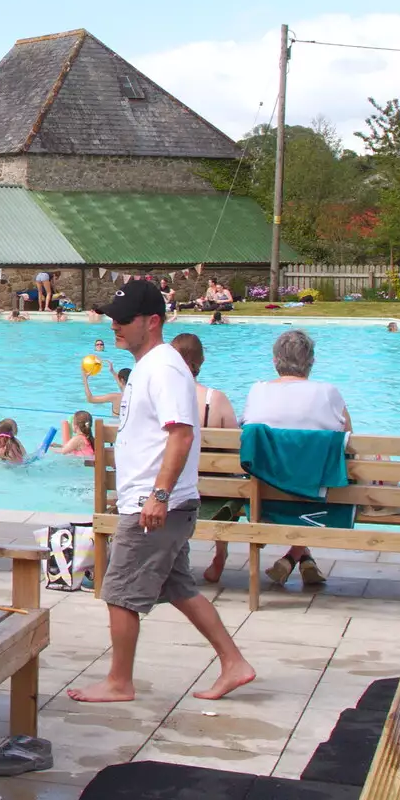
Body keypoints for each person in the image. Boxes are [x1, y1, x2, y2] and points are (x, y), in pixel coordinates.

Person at [67, 280, 254, 704]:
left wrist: (159, 496)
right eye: (112, 317)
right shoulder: (148, 365)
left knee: (119, 592)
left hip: (157, 507)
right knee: (179, 587)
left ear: (152, 322)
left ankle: (119, 682)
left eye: (124, 319)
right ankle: (234, 663)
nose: (114, 325)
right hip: (153, 502)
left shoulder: (165, 368)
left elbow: (182, 436)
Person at [240, 329, 351, 589]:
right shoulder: (328, 392)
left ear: (275, 361)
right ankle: (298, 556)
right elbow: (349, 440)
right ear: (310, 361)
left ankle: (295, 556)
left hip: (264, 496)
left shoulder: (257, 391)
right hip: (320, 497)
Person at [169, 333, 242, 583]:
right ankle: (220, 553)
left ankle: (173, 554)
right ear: (201, 361)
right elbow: (236, 449)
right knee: (227, 479)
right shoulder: (215, 399)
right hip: (212, 491)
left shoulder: (161, 398)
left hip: (171, 487)